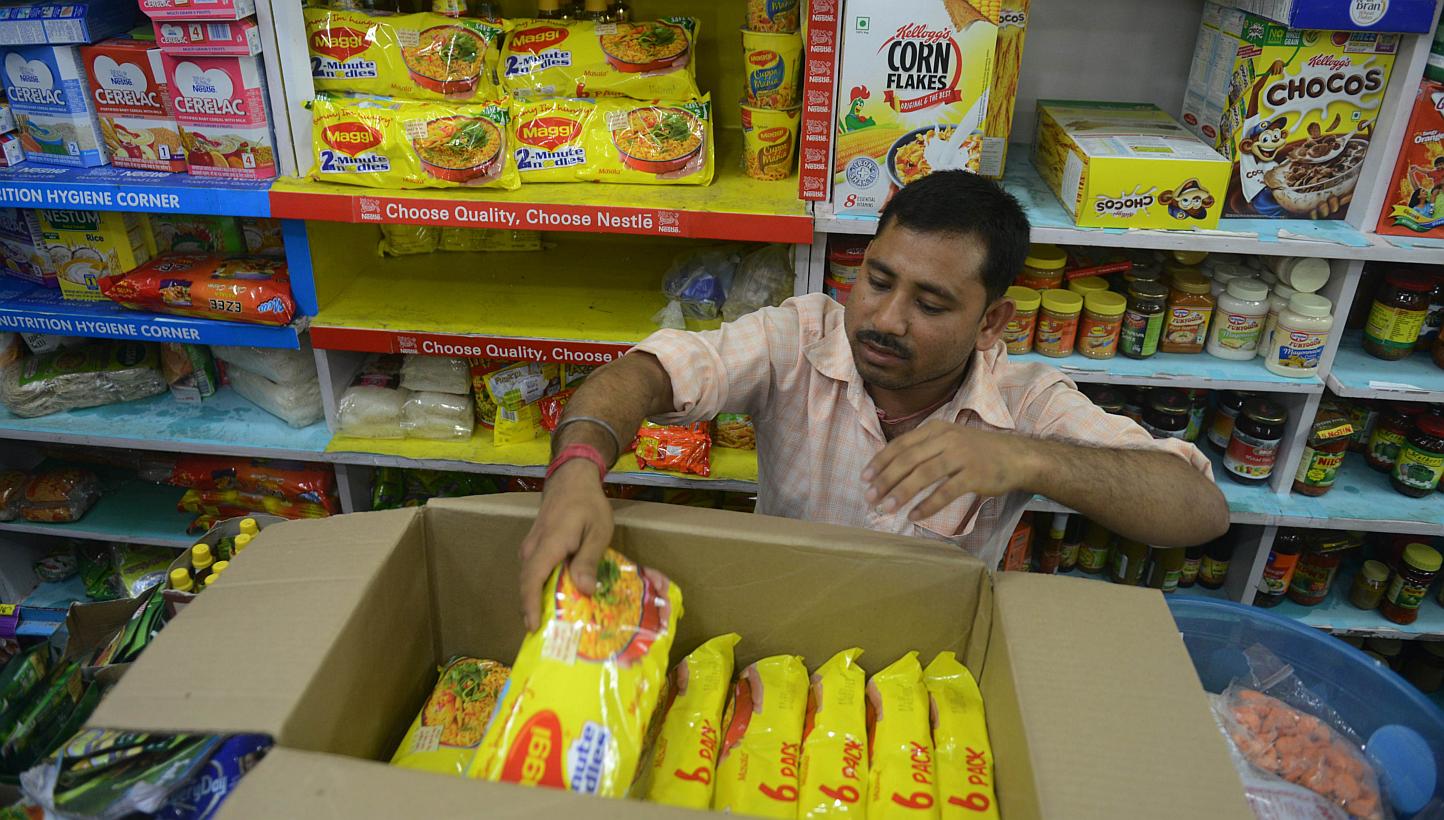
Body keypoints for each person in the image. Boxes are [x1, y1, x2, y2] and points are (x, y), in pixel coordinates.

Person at [518, 170, 1229, 629]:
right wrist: (577, 470)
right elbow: (642, 373)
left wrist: (1026, 460)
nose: (887, 318)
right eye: (880, 280)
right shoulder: (797, 337)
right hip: (772, 626)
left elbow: (1198, 509)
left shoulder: (1026, 404)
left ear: (990, 323)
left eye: (931, 302)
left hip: (926, 660)